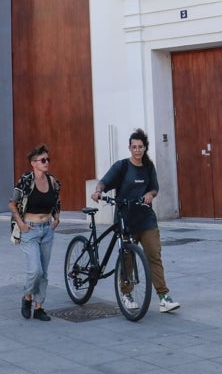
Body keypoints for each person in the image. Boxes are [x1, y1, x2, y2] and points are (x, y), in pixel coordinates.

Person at [91, 128, 179, 313]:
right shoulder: (122, 166)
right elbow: (104, 181)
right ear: (129, 148)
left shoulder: (148, 167)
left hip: (146, 220)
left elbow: (155, 188)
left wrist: (149, 194)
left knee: (154, 256)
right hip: (125, 220)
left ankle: (164, 297)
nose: (137, 150)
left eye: (140, 147)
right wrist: (98, 191)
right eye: (134, 147)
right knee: (127, 257)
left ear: (145, 148)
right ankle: (126, 293)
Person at [10, 144, 60, 321]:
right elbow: (12, 204)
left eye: (48, 159)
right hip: (29, 230)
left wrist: (57, 218)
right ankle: (27, 297)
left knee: (44, 272)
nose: (46, 162)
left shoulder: (52, 181)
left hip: (47, 230)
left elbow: (55, 202)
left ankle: (39, 307)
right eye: (43, 160)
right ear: (33, 163)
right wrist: (21, 224)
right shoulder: (26, 180)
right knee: (36, 271)